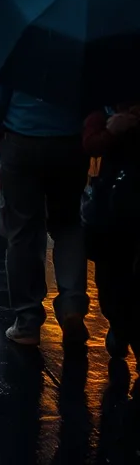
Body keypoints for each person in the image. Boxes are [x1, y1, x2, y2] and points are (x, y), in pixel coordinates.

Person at [0, 82, 90, 346]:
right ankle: (72, 305)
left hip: (21, 136)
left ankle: (27, 321)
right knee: (68, 224)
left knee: (22, 229)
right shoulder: (79, 41)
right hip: (70, 139)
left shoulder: (14, 40)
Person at [82, 103, 139, 361]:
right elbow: (91, 143)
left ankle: (125, 330)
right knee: (110, 278)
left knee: (116, 278)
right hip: (115, 207)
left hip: (116, 206)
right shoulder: (108, 106)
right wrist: (112, 129)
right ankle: (120, 326)